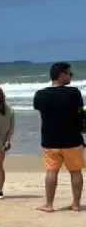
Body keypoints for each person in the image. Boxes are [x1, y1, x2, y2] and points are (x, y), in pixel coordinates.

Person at [33, 62, 85, 212]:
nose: (71, 76)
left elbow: (38, 108)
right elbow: (80, 113)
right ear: (61, 75)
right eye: (69, 74)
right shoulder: (74, 93)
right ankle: (76, 204)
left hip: (50, 139)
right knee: (75, 172)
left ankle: (49, 204)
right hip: (72, 139)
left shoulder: (41, 94)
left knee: (51, 172)